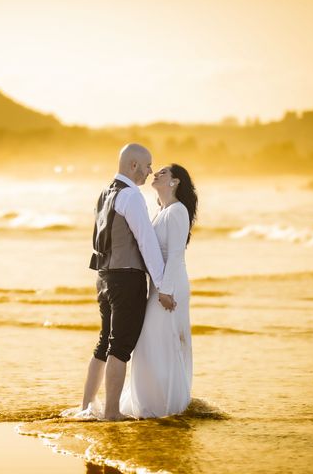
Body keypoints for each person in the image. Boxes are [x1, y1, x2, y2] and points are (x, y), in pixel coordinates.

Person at [80, 143, 176, 421]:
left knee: (104, 343)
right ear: (133, 165)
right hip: (126, 278)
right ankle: (111, 412)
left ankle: (86, 406)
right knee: (120, 347)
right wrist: (163, 287)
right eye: (147, 166)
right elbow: (146, 242)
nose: (149, 172)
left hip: (104, 277)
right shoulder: (132, 197)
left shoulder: (105, 192)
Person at [120, 163, 198, 418]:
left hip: (170, 287)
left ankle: (167, 405)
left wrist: (165, 291)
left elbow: (175, 255)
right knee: (150, 344)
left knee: (161, 342)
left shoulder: (177, 211)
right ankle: (152, 403)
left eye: (164, 172)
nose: (157, 174)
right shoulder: (161, 211)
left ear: (175, 182)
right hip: (159, 286)